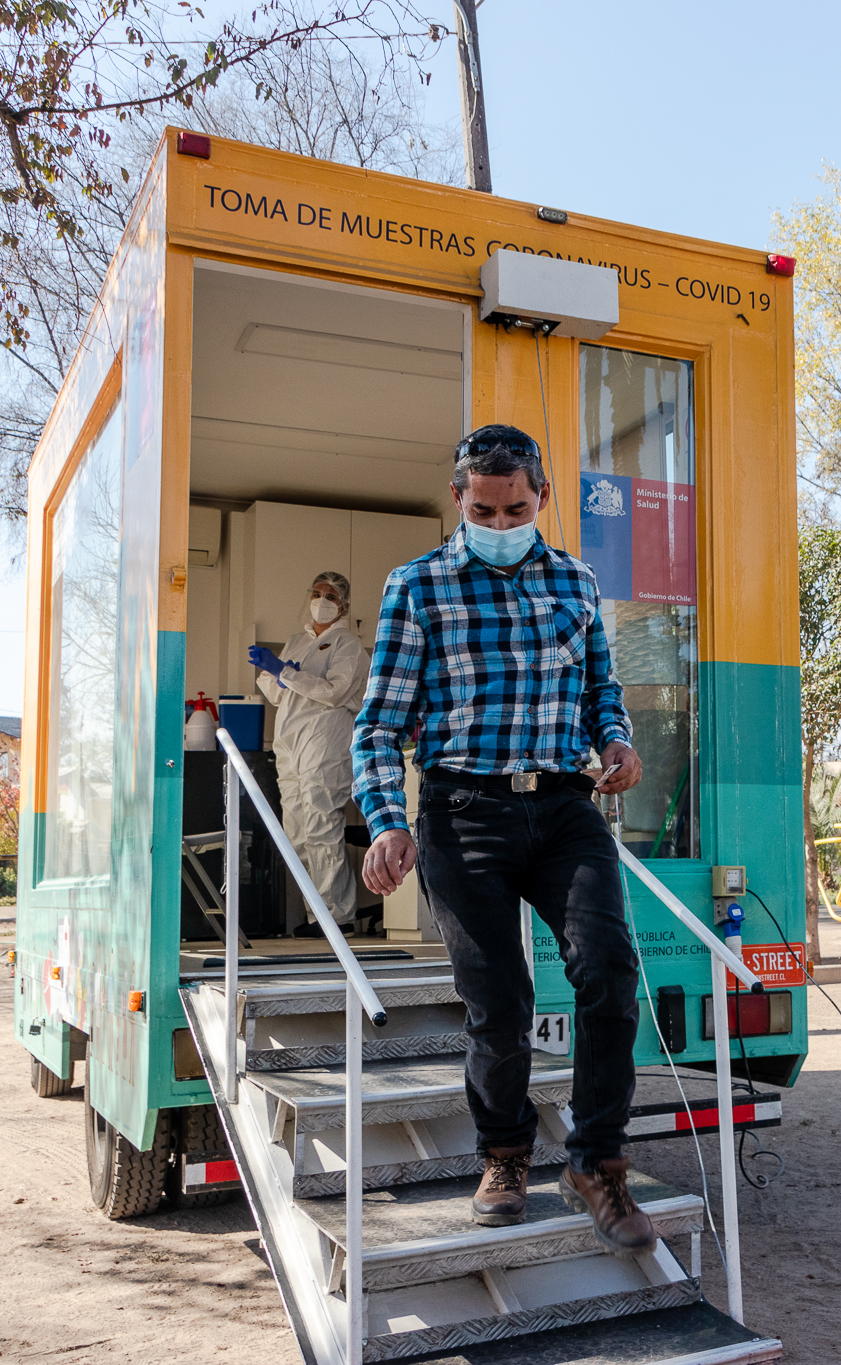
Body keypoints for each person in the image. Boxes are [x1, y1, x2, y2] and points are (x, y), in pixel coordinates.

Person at [352, 423, 653, 1255]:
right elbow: (380, 725)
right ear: (459, 500)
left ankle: (596, 1161)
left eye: (514, 507)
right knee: (501, 1003)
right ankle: (506, 1155)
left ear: (542, 499)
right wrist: (386, 820)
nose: (498, 520)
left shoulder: (576, 583)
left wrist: (617, 742)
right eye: (482, 508)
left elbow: (602, 690)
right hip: (462, 811)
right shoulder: (417, 586)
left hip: (562, 807)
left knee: (609, 969)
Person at [248, 571, 371, 938]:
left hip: (326, 737)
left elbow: (333, 693)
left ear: (344, 606)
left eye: (330, 595)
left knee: (321, 823)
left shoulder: (348, 646)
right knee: (297, 830)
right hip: (290, 739)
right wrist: (279, 672)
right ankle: (316, 914)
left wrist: (286, 673)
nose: (322, 600)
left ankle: (339, 916)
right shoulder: (296, 641)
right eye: (317, 593)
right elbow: (275, 691)